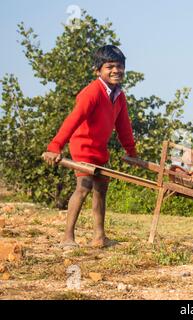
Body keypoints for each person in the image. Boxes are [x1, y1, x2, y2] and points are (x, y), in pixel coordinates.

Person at [41, 45, 137, 249]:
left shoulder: (119, 95)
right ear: (98, 71)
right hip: (83, 146)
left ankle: (99, 236)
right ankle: (67, 236)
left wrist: (132, 152)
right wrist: (55, 146)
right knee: (83, 187)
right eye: (109, 66)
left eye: (119, 66)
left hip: (100, 148)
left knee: (101, 189)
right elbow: (73, 119)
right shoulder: (92, 92)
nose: (115, 71)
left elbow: (124, 126)